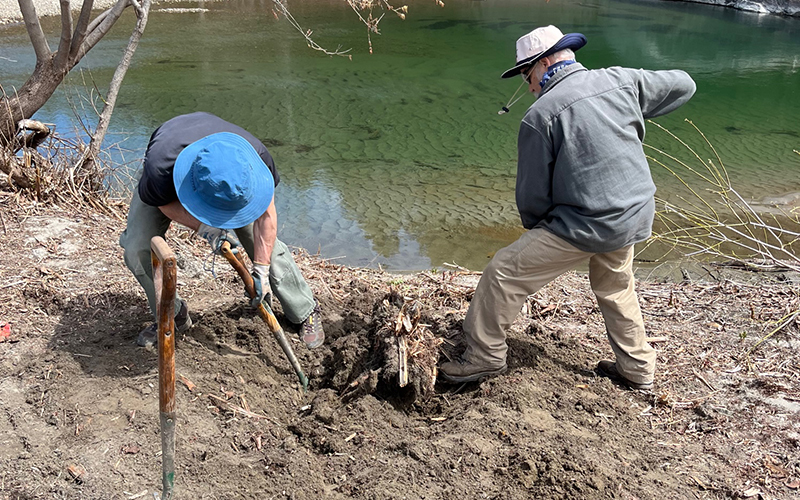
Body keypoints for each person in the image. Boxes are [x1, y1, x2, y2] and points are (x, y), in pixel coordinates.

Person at [439, 25, 696, 390]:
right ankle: (638, 369)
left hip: (586, 223)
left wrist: (539, 230)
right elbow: (685, 84)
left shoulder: (540, 116)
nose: (529, 86)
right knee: (616, 286)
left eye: (528, 75)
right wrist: (638, 110)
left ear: (545, 64)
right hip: (634, 212)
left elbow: (532, 200)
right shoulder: (622, 81)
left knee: (502, 273)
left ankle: (483, 357)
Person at [120, 112, 324, 349]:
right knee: (137, 246)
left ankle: (304, 308)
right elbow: (164, 204)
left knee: (265, 245)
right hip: (176, 175)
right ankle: (173, 314)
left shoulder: (256, 159)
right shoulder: (159, 168)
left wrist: (261, 269)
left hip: (230, 172)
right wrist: (207, 229)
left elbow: (266, 216)